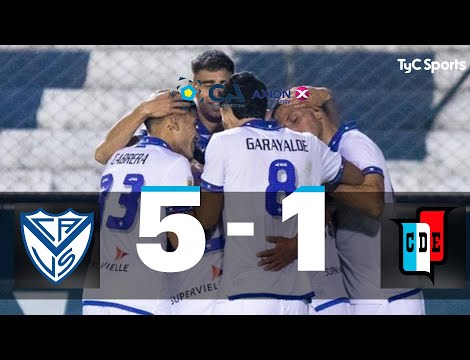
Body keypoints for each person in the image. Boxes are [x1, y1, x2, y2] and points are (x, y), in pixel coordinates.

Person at [195, 72, 364, 315]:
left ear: (228, 110)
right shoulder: (308, 144)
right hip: (296, 296)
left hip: (248, 292)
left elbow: (206, 218)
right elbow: (356, 177)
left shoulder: (224, 141)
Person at [92, 49, 235, 315]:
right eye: (208, 85)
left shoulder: (248, 123)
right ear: (194, 88)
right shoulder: (176, 139)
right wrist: (144, 109)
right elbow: (103, 153)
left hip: (110, 282)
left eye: (223, 85)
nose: (216, 93)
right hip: (180, 269)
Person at [269, 87, 426, 315]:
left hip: (389, 298)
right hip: (365, 294)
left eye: (294, 119)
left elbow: (374, 202)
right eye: (284, 128)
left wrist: (324, 180)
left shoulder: (352, 143)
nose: (292, 131)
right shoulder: (326, 155)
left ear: (318, 113)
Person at [82, 106, 198, 315]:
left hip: (96, 293)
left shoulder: (117, 157)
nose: (196, 133)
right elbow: (184, 245)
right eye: (194, 124)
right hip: (141, 297)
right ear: (174, 122)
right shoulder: (174, 164)